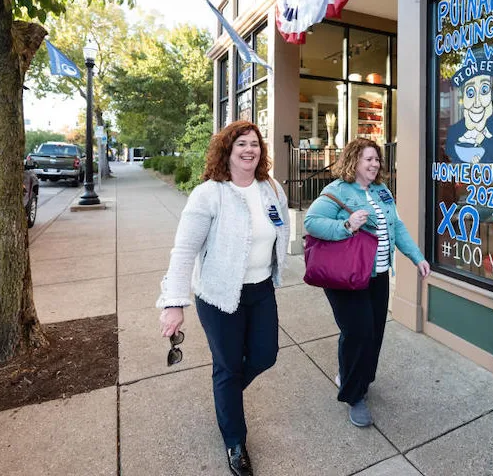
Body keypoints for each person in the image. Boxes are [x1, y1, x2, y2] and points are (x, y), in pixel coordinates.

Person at [157, 120, 290, 476]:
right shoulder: (210, 193)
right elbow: (185, 250)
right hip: (218, 296)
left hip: (261, 289)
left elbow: (280, 232)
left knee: (265, 355)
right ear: (227, 151)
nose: (250, 150)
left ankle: (225, 392)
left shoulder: (271, 189)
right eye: (241, 144)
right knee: (229, 367)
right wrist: (173, 302)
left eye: (255, 144)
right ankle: (235, 441)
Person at [304, 138, 431, 427]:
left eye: (376, 160)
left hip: (378, 275)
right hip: (347, 276)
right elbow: (311, 222)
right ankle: (354, 394)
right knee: (358, 332)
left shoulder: (382, 190)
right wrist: (346, 226)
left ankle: (359, 376)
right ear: (353, 161)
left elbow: (396, 226)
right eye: (368, 159)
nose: (374, 164)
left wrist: (417, 257)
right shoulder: (336, 190)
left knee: (373, 332)